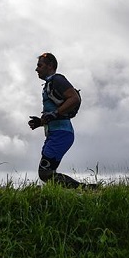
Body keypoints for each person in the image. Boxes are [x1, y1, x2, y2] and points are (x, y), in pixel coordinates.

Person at [28, 52, 95, 189]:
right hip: (56, 133)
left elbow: (74, 98)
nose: (36, 69)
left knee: (45, 173)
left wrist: (54, 114)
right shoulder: (49, 84)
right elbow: (54, 113)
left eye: (40, 65)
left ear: (50, 66)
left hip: (61, 134)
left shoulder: (57, 80)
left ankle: (85, 189)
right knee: (47, 173)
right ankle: (83, 190)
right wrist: (40, 122)